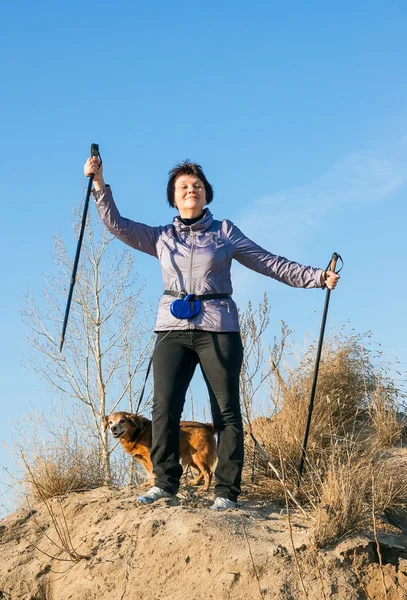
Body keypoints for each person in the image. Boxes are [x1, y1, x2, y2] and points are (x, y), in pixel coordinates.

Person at [85, 157, 340, 511]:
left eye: (197, 186)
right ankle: (164, 483)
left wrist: (316, 276)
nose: (191, 190)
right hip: (171, 331)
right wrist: (99, 184)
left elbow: (268, 261)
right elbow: (119, 225)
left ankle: (225, 492)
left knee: (226, 412)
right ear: (173, 198)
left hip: (218, 327)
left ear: (206, 195)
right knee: (164, 408)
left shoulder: (225, 233)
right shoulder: (161, 237)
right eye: (183, 187)